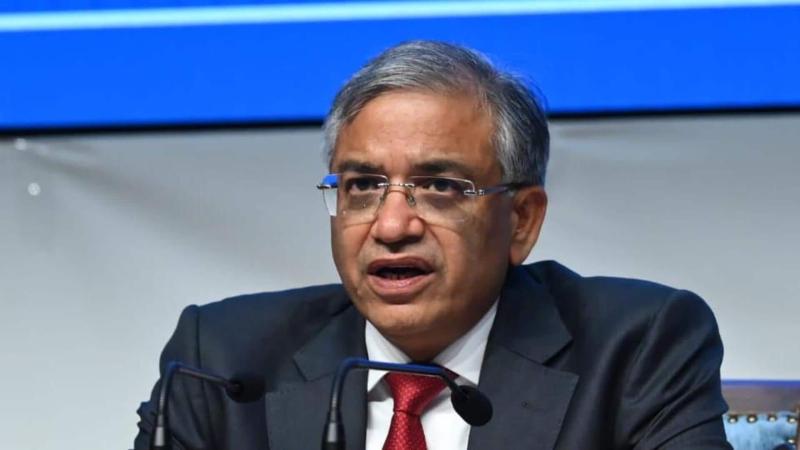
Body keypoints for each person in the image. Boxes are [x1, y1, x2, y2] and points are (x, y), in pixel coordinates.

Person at [134, 40, 731, 450]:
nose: (392, 226)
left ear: (521, 220)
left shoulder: (635, 346)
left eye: (441, 187)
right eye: (364, 186)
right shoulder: (219, 362)